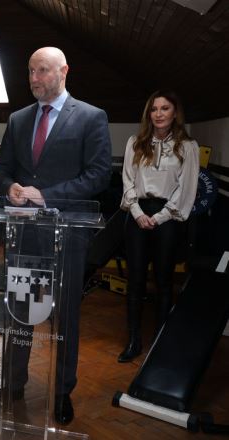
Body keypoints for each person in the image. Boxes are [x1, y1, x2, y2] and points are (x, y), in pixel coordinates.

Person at [0, 47, 112, 424]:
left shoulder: (91, 117)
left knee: (65, 318)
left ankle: (62, 392)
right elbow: (1, 169)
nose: (34, 79)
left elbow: (99, 175)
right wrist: (10, 187)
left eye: (42, 70)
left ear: (63, 72)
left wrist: (47, 196)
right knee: (21, 314)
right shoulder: (18, 119)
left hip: (68, 237)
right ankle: (12, 384)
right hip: (25, 236)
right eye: (30, 71)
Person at [118, 91, 199, 363]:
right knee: (135, 280)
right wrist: (138, 213)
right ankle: (133, 341)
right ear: (148, 114)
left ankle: (159, 343)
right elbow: (127, 179)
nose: (159, 114)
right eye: (154, 109)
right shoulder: (135, 142)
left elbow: (186, 188)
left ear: (175, 113)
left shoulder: (187, 146)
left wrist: (162, 216)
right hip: (137, 214)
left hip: (168, 217)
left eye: (165, 108)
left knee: (163, 281)